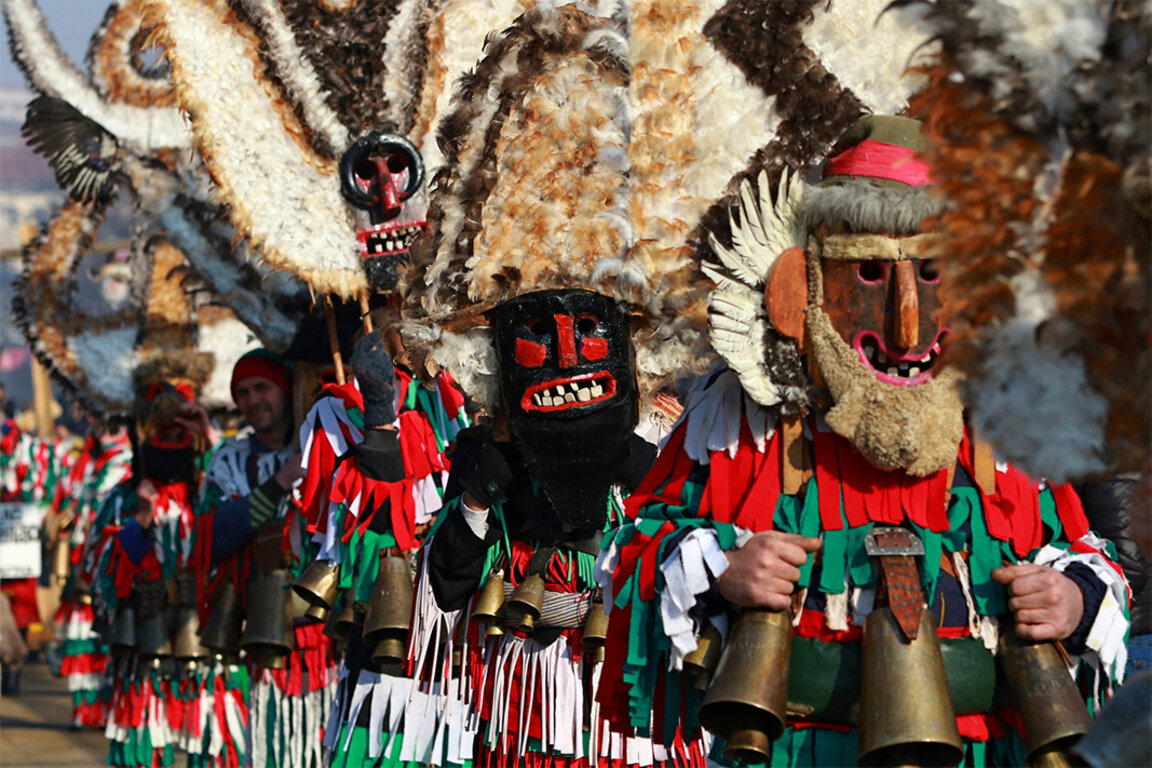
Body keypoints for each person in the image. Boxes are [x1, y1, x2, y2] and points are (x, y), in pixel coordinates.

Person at [596, 116, 1131, 767]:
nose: (908, 328)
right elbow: (630, 549)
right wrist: (723, 570)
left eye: (934, 273)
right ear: (803, 290)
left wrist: (1073, 598)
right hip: (797, 746)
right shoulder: (738, 413)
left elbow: (1091, 556)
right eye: (871, 275)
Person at [194, 348, 336, 768]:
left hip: (327, 638)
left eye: (262, 387)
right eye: (242, 392)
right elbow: (214, 537)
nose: (252, 400)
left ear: (287, 388)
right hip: (260, 637)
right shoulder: (229, 459)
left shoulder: (326, 444)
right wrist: (278, 483)